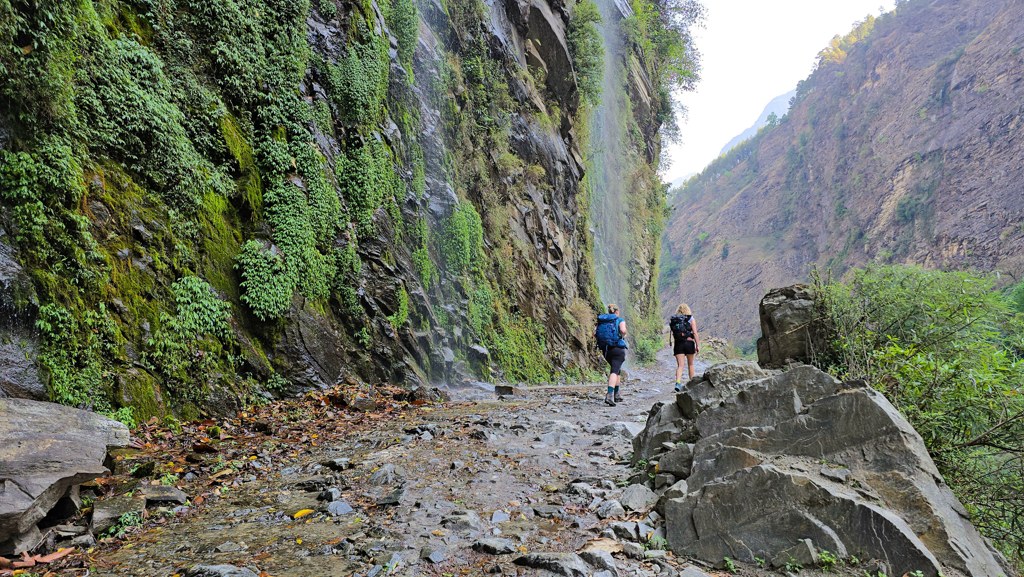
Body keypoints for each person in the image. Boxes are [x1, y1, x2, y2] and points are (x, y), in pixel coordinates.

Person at [595, 304, 628, 406]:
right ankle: (609, 395)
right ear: (617, 312)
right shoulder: (619, 319)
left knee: (616, 370)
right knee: (614, 371)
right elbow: (623, 330)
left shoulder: (602, 321)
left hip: (606, 350)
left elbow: (594, 333)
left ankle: (616, 395)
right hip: (617, 348)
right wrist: (624, 335)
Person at [669, 304, 699, 392]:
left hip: (678, 344)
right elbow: (695, 333)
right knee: (691, 364)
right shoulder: (691, 319)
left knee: (680, 366)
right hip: (689, 343)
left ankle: (678, 383)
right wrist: (697, 345)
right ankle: (692, 384)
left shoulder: (675, 320)